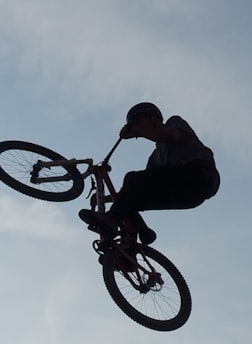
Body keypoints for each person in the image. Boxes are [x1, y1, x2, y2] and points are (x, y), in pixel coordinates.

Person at [79, 102, 220, 244]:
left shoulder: (173, 123)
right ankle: (141, 237)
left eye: (137, 121)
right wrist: (104, 198)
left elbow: (173, 136)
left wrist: (137, 132)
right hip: (189, 195)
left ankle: (112, 219)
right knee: (131, 200)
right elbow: (134, 190)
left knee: (131, 178)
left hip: (199, 174)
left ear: (153, 117)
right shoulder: (156, 157)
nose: (136, 126)